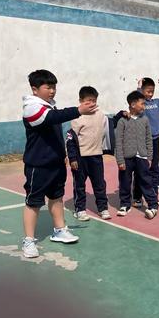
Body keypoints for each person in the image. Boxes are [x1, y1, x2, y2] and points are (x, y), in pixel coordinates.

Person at [21, 69, 96, 258]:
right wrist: (78, 110)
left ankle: (59, 230)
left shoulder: (50, 106)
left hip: (55, 163)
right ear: (35, 89)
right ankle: (29, 240)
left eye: (54, 86)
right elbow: (54, 118)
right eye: (48, 87)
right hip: (38, 165)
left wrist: (62, 154)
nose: (52, 90)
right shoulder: (32, 108)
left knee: (56, 197)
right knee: (34, 202)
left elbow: (54, 132)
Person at [66, 86, 112, 222]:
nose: (91, 104)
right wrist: (72, 158)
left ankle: (103, 208)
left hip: (96, 156)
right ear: (80, 101)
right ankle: (80, 210)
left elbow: (107, 130)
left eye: (94, 101)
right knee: (79, 185)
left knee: (99, 184)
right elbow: (71, 140)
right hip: (80, 159)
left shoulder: (100, 115)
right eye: (88, 101)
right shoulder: (76, 117)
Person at [115, 91, 159, 220]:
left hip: (142, 157)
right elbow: (118, 141)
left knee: (146, 181)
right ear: (133, 104)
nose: (144, 107)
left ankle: (153, 205)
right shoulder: (122, 121)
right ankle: (124, 204)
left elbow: (148, 139)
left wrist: (149, 157)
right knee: (125, 181)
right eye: (142, 104)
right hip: (126, 158)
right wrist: (120, 160)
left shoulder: (144, 120)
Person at [134, 77, 159, 200]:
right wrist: (139, 88)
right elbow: (135, 100)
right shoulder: (141, 104)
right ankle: (137, 197)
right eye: (147, 91)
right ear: (142, 91)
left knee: (154, 168)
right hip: (142, 141)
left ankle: (153, 196)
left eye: (152, 91)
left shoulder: (157, 103)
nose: (150, 94)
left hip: (155, 140)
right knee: (141, 169)